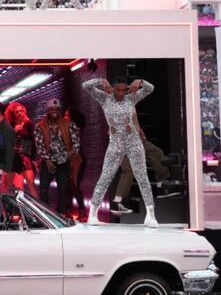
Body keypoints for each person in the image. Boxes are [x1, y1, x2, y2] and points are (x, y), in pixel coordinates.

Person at [82, 77, 158, 228]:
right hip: (115, 144)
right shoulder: (105, 98)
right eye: (118, 90)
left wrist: (140, 81)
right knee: (105, 177)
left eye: (124, 90)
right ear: (112, 88)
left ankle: (151, 215)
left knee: (142, 177)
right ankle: (93, 213)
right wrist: (100, 80)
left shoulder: (131, 98)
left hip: (134, 143)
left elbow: (150, 88)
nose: (121, 93)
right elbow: (86, 86)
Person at [111, 113, 176, 215]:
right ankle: (117, 202)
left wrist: (141, 133)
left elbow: (134, 120)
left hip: (138, 140)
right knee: (128, 170)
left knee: (157, 153)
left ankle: (161, 187)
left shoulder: (131, 105)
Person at [34, 99, 80, 218]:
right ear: (48, 110)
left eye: (56, 109)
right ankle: (46, 214)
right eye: (51, 109)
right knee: (43, 189)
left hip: (63, 161)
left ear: (59, 110)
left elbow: (76, 141)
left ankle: (60, 214)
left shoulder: (68, 123)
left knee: (63, 189)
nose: (54, 111)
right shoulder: (40, 126)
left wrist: (70, 154)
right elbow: (39, 145)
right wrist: (47, 160)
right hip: (48, 161)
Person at [5, 102, 38, 199]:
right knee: (8, 184)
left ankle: (37, 206)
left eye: (21, 111)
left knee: (31, 183)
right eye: (17, 112)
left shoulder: (29, 124)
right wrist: (14, 131)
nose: (19, 113)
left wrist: (33, 159)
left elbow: (34, 142)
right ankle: (12, 204)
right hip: (13, 157)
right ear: (13, 114)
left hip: (25, 156)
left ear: (24, 112)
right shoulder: (11, 125)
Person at [66, 107, 87, 220]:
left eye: (67, 115)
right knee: (70, 185)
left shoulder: (74, 129)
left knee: (74, 185)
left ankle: (81, 211)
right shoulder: (67, 128)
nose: (65, 117)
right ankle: (69, 211)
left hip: (76, 159)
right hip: (71, 159)